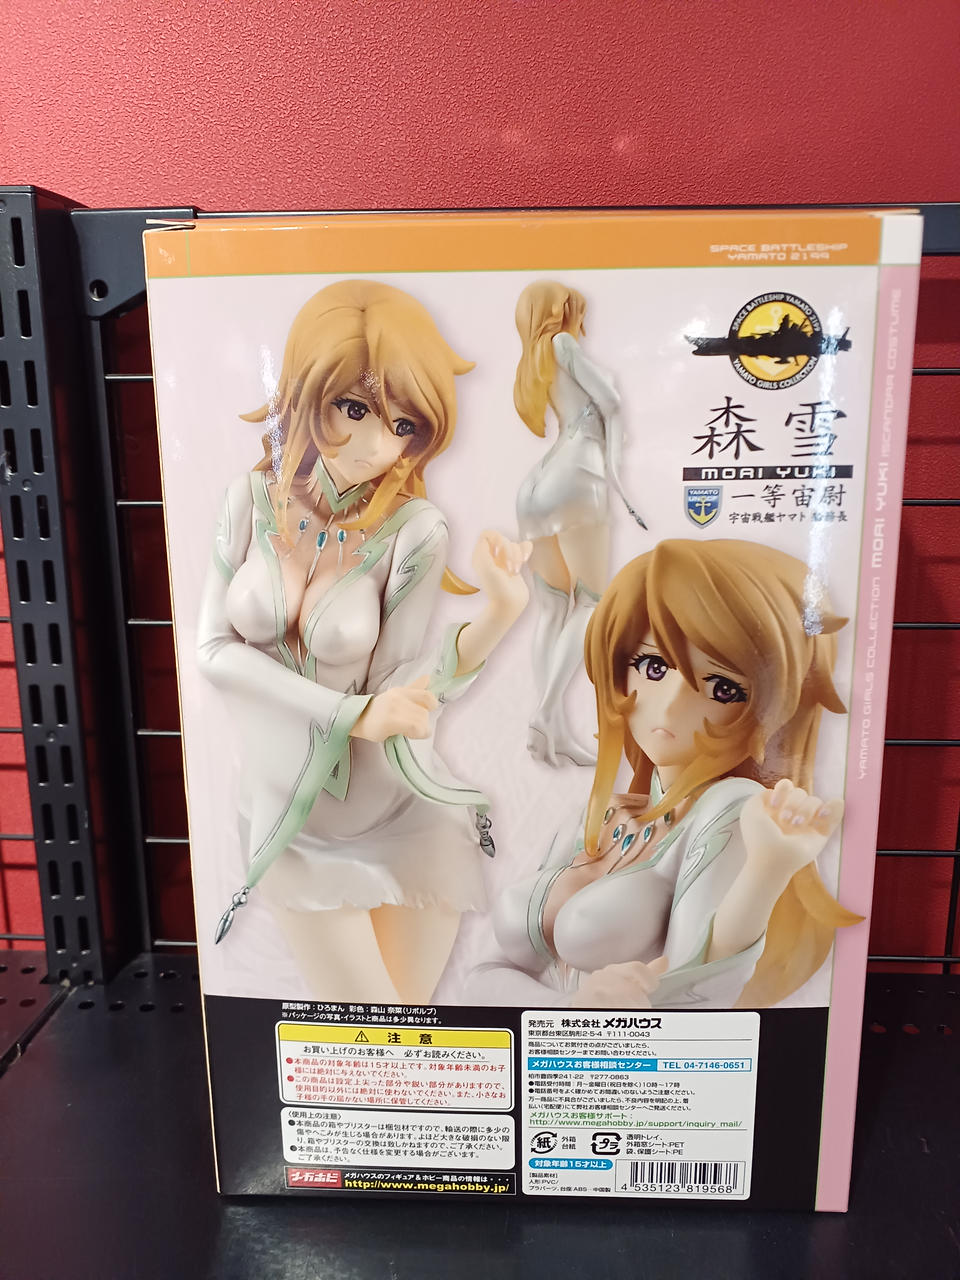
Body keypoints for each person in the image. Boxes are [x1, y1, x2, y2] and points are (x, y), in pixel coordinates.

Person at [197, 280, 530, 1005]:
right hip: (290, 812)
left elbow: (406, 681)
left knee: (401, 1038)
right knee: (367, 1027)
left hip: (400, 807)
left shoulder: (417, 530)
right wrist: (351, 713)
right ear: (305, 392)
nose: (378, 446)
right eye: (354, 408)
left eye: (403, 424)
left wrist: (501, 613)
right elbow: (214, 651)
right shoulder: (248, 501)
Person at [466, 538, 861, 1010]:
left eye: (722, 687)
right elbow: (482, 978)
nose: (671, 706)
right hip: (548, 1049)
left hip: (634, 1054)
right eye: (653, 666)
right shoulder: (600, 816)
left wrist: (767, 870)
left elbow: (696, 991)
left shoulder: (729, 807)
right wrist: (569, 1010)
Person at [513, 280, 644, 768]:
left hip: (537, 485)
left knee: (552, 608)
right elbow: (610, 402)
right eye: (574, 307)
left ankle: (555, 733)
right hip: (578, 475)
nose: (579, 315)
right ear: (560, 309)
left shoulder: (533, 358)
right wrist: (616, 473)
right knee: (591, 601)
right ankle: (546, 713)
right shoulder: (562, 343)